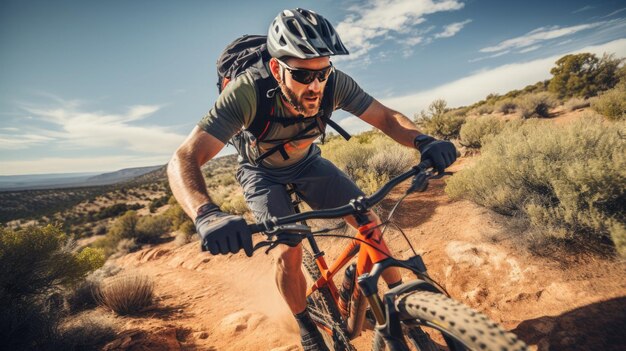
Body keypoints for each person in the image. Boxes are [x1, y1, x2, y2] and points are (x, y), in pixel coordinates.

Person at [167, 8, 457, 351]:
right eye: (303, 75)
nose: (316, 86)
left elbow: (385, 117)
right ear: (276, 69)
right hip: (261, 173)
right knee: (289, 250)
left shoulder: (333, 82)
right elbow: (184, 157)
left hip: (308, 164)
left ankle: (402, 312)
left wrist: (423, 140)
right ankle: (306, 326)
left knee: (370, 222)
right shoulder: (247, 92)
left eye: (322, 73)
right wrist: (205, 213)